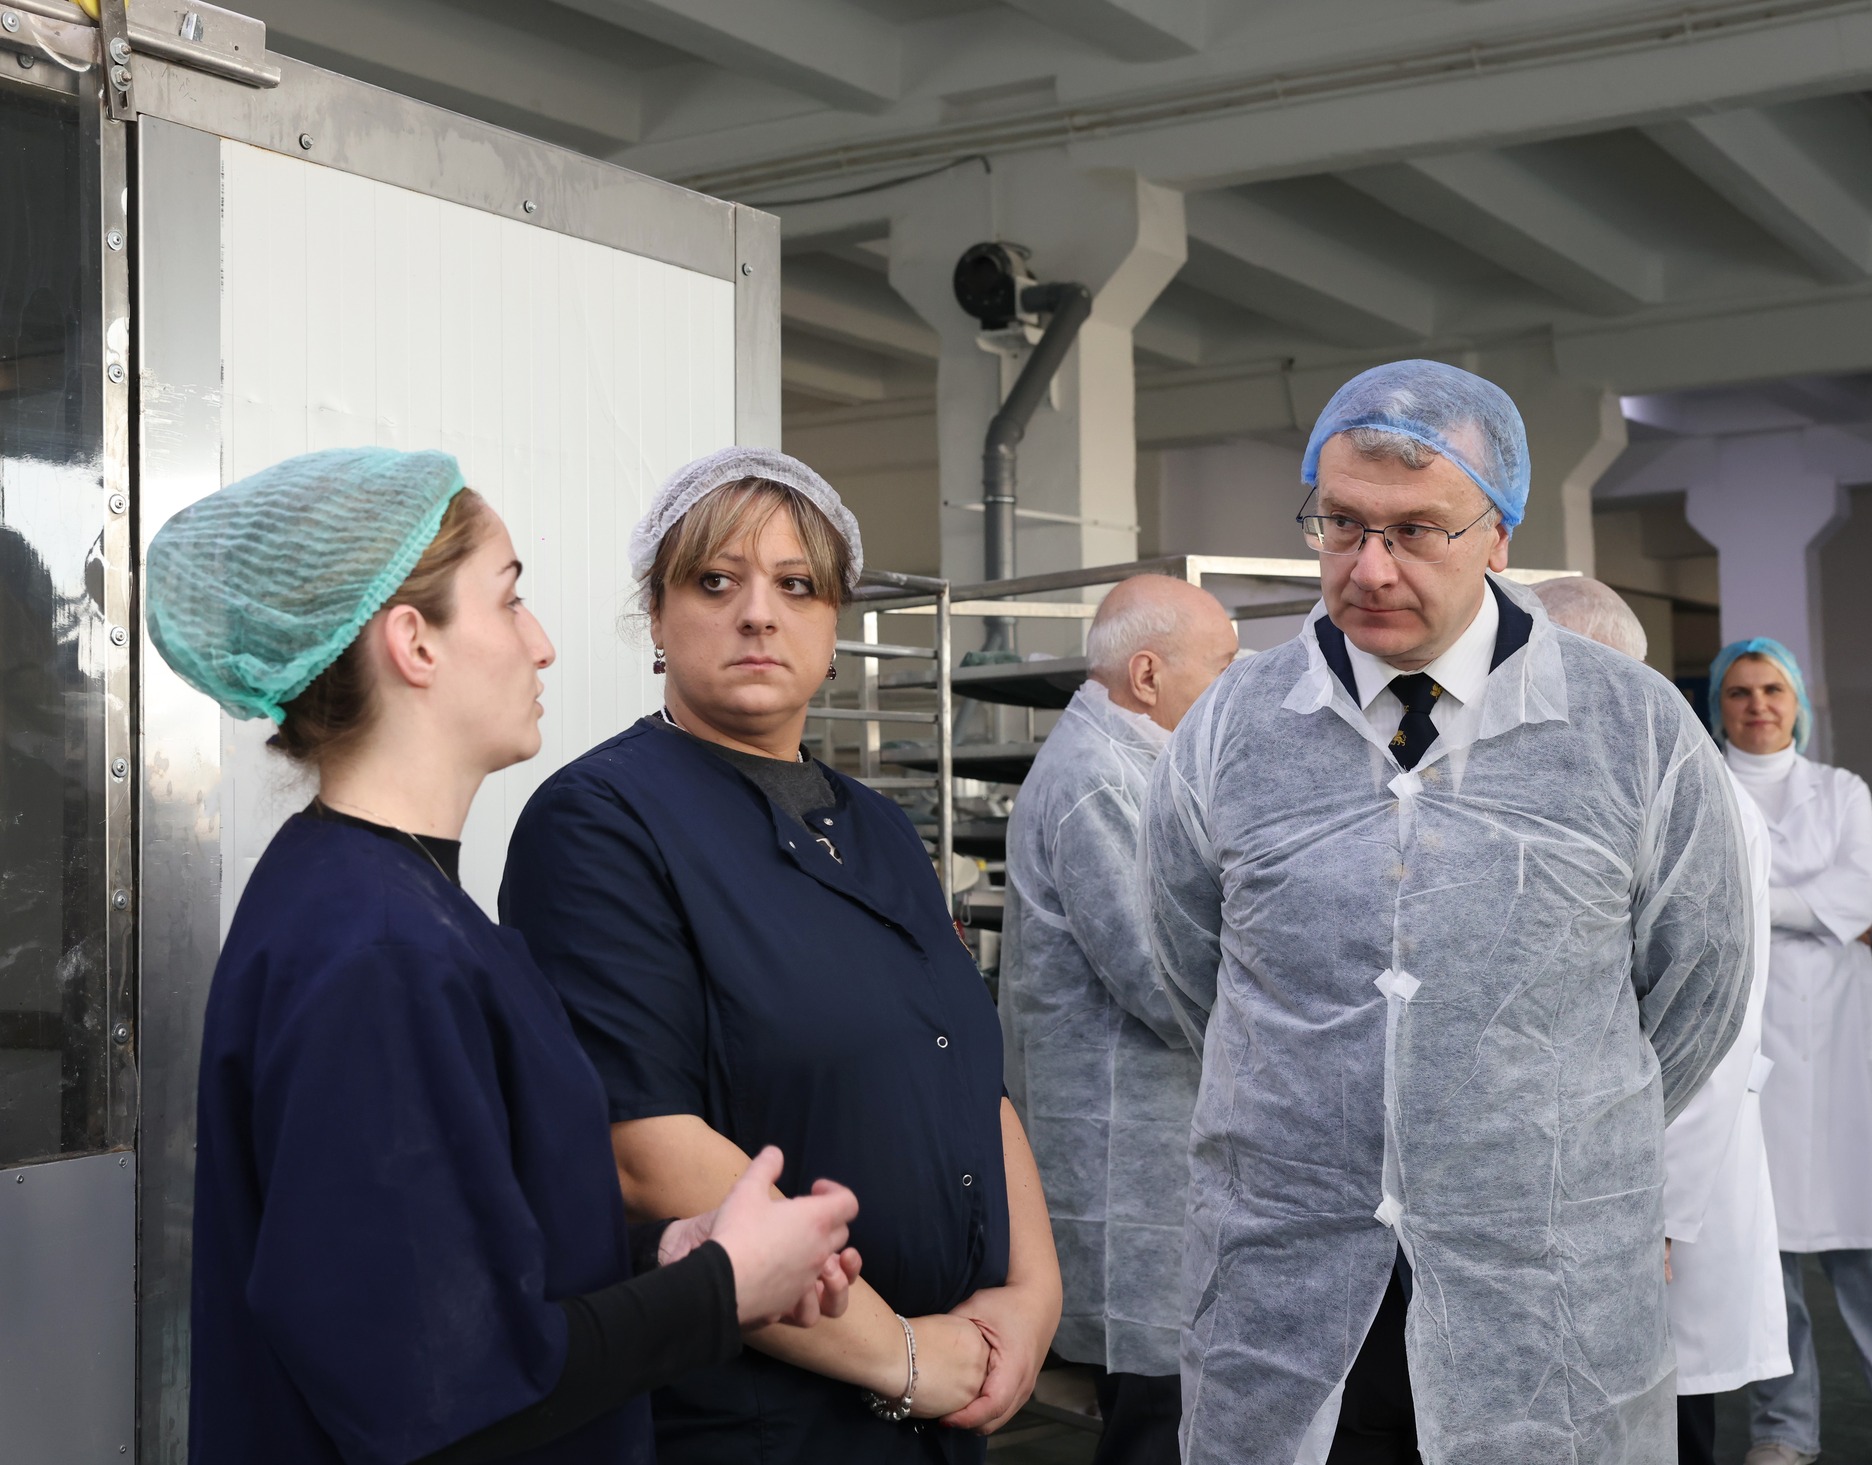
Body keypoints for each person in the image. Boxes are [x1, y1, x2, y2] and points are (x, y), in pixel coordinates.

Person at [150, 448, 862, 1465]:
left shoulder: (396, 907)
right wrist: (720, 1290)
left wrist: (670, 1254)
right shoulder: (374, 952)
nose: (542, 644)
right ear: (414, 643)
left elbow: (453, 1260)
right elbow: (437, 1396)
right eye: (510, 599)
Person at [1142, 360, 1754, 1465]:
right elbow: (1194, 967)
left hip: (1542, 1298)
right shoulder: (1231, 726)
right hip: (1289, 1284)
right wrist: (1332, 1096)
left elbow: (1698, 984)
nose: (1368, 566)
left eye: (1416, 530)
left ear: (1498, 535)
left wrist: (1526, 1131)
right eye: (1341, 524)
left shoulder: (1633, 727)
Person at [500, 447, 1063, 1464]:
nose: (758, 614)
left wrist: (1031, 1294)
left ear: (833, 622)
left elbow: (967, 1070)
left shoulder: (878, 827)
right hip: (758, 1419)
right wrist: (898, 1353)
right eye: (716, 582)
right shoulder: (601, 822)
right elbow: (639, 1149)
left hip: (940, 1404)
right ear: (656, 617)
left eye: (797, 585)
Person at [1534, 579, 1790, 1465]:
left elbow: (1713, 1030)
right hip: (1565, 1175)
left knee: (1665, 1418)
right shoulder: (1561, 780)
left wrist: (1662, 1210)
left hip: (1656, 1187)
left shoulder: (1695, 792)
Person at [1710, 641, 1872, 1465]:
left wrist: (1757, 900)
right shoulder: (1702, 786)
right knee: (1767, 1256)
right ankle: (1782, 1430)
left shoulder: (1842, 789)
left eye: (1773, 689)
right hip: (1744, 1039)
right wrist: (1812, 908)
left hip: (1842, 1046)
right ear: (1718, 704)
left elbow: (1860, 892)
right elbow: (1702, 895)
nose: (1758, 704)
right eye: (1740, 691)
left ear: (1797, 702)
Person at [999, 574, 1239, 1465]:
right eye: (1222, 667)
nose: (1235, 689)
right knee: (1156, 1422)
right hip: (1130, 1169)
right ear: (1146, 674)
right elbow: (1162, 977)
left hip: (1164, 1155)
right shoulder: (1097, 783)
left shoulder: (1140, 766)